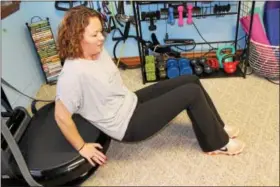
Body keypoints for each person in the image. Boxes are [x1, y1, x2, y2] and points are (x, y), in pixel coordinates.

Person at [54, 6, 245, 167]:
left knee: (191, 79)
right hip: (126, 125)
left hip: (130, 101)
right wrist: (81, 147)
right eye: (94, 34)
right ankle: (216, 143)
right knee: (191, 93)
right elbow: (61, 117)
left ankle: (217, 128)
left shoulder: (96, 49)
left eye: (101, 31)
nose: (101, 38)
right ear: (76, 37)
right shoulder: (73, 74)